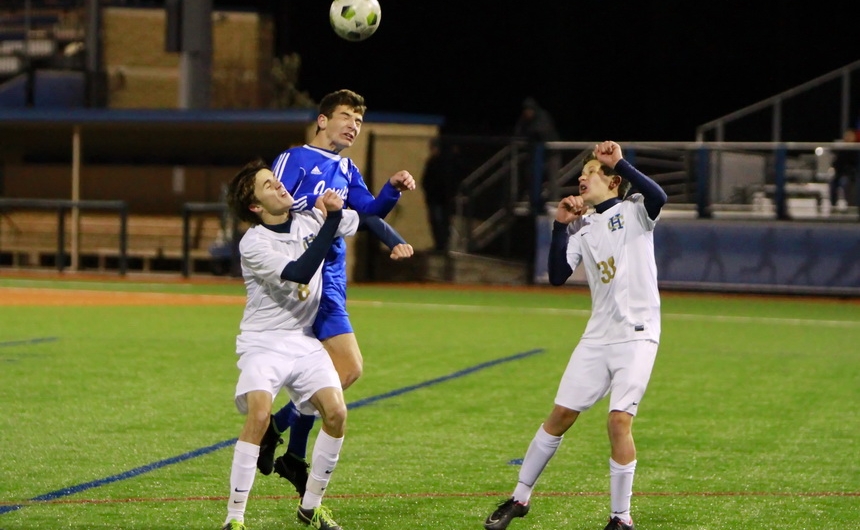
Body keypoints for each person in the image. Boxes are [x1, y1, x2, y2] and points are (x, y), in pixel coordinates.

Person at [483, 141, 667, 530]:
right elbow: (556, 276)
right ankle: (519, 498)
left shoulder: (636, 210)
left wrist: (620, 163)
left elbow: (658, 194)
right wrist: (559, 226)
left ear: (614, 182)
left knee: (619, 421)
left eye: (592, 174)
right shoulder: (583, 226)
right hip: (598, 336)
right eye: (582, 174)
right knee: (560, 416)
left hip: (637, 336)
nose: (583, 178)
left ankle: (621, 518)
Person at [258, 89, 415, 494]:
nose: (353, 126)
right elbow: (275, 206)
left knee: (333, 373)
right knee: (347, 369)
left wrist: (392, 188)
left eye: (359, 121)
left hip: (332, 279)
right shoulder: (294, 158)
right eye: (346, 116)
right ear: (323, 120)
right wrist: (319, 208)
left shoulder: (347, 170)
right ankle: (280, 439)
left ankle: (287, 446)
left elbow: (369, 212)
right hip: (302, 279)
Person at [222, 159, 360, 530]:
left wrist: (336, 209)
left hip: (303, 340)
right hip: (263, 342)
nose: (280, 186)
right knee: (260, 414)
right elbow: (299, 271)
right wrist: (330, 220)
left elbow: (356, 218)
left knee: (337, 414)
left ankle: (310, 506)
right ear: (255, 207)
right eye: (268, 186)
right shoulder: (254, 243)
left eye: (276, 180)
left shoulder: (307, 219)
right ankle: (234, 519)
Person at [421, 137, 459, 252]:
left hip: (440, 198)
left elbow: (429, 181)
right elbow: (426, 181)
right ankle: (441, 246)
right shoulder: (436, 162)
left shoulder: (439, 163)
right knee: (438, 222)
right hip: (438, 198)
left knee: (441, 222)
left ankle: (442, 246)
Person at [829, 128, 857, 211]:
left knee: (844, 182)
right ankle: (833, 206)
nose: (848, 138)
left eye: (850, 136)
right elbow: (836, 163)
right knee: (832, 183)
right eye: (846, 136)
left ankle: (851, 206)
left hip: (851, 175)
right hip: (840, 173)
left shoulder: (856, 149)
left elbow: (854, 165)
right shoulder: (841, 150)